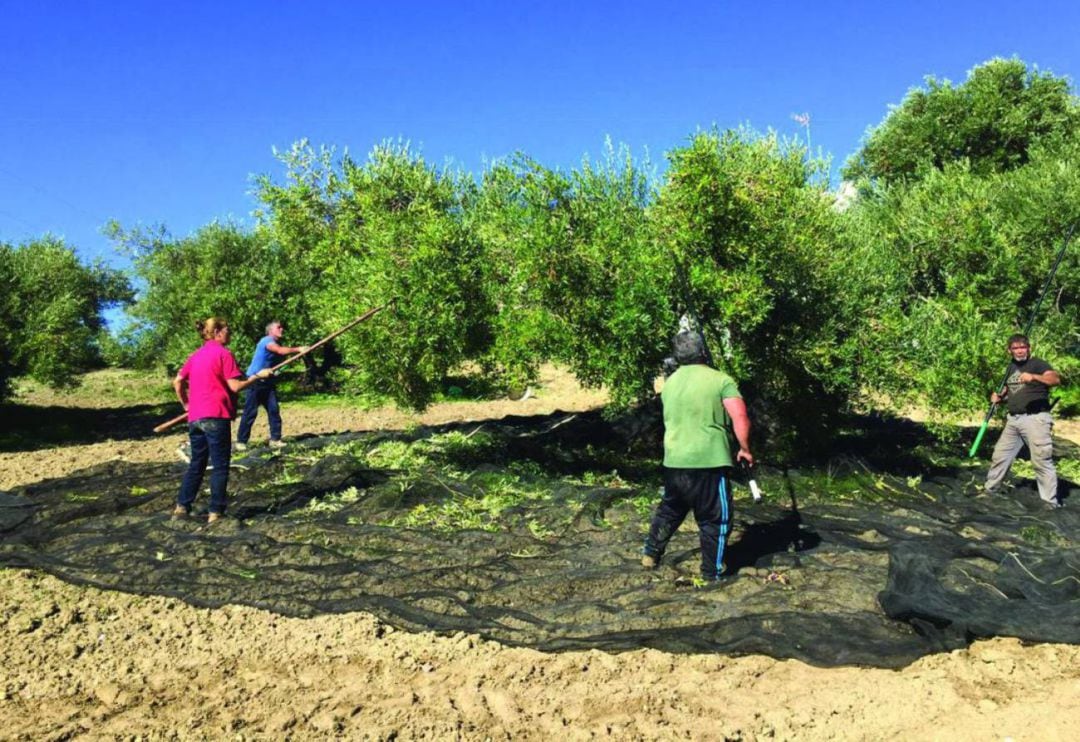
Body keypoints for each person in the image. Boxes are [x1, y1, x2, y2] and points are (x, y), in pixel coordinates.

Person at [642, 331, 754, 581]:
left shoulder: (670, 384)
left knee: (670, 510)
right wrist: (744, 448)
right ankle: (711, 572)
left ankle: (650, 553)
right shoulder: (721, 380)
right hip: (709, 461)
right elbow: (740, 416)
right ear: (703, 351)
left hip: (675, 461)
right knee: (716, 519)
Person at [172, 317, 272, 523]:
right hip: (216, 416)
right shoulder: (224, 354)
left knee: (197, 464)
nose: (230, 333)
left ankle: (182, 507)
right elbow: (235, 386)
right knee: (220, 466)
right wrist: (258, 376)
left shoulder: (196, 355)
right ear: (217, 332)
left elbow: (178, 381)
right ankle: (215, 513)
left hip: (196, 418)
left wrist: (186, 405)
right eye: (227, 330)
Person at [984, 334, 1062, 508]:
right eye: (1015, 348)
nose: (1019, 351)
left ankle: (1050, 503)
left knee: (1041, 460)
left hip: (1035, 420)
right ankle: (990, 490)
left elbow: (1055, 379)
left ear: (1029, 348)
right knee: (1000, 456)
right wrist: (999, 398)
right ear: (1009, 351)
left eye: (1022, 347)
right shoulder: (1011, 367)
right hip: (1013, 420)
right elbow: (1011, 390)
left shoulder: (1038, 364)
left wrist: (1034, 377)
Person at [235, 320, 309, 451]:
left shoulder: (277, 344)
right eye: (278, 327)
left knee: (274, 410)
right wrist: (298, 349)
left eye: (281, 327)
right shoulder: (266, 341)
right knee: (250, 412)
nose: (282, 329)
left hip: (268, 382)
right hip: (255, 381)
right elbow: (280, 351)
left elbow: (281, 357)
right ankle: (241, 441)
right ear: (270, 330)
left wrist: (294, 355)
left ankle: (275, 439)